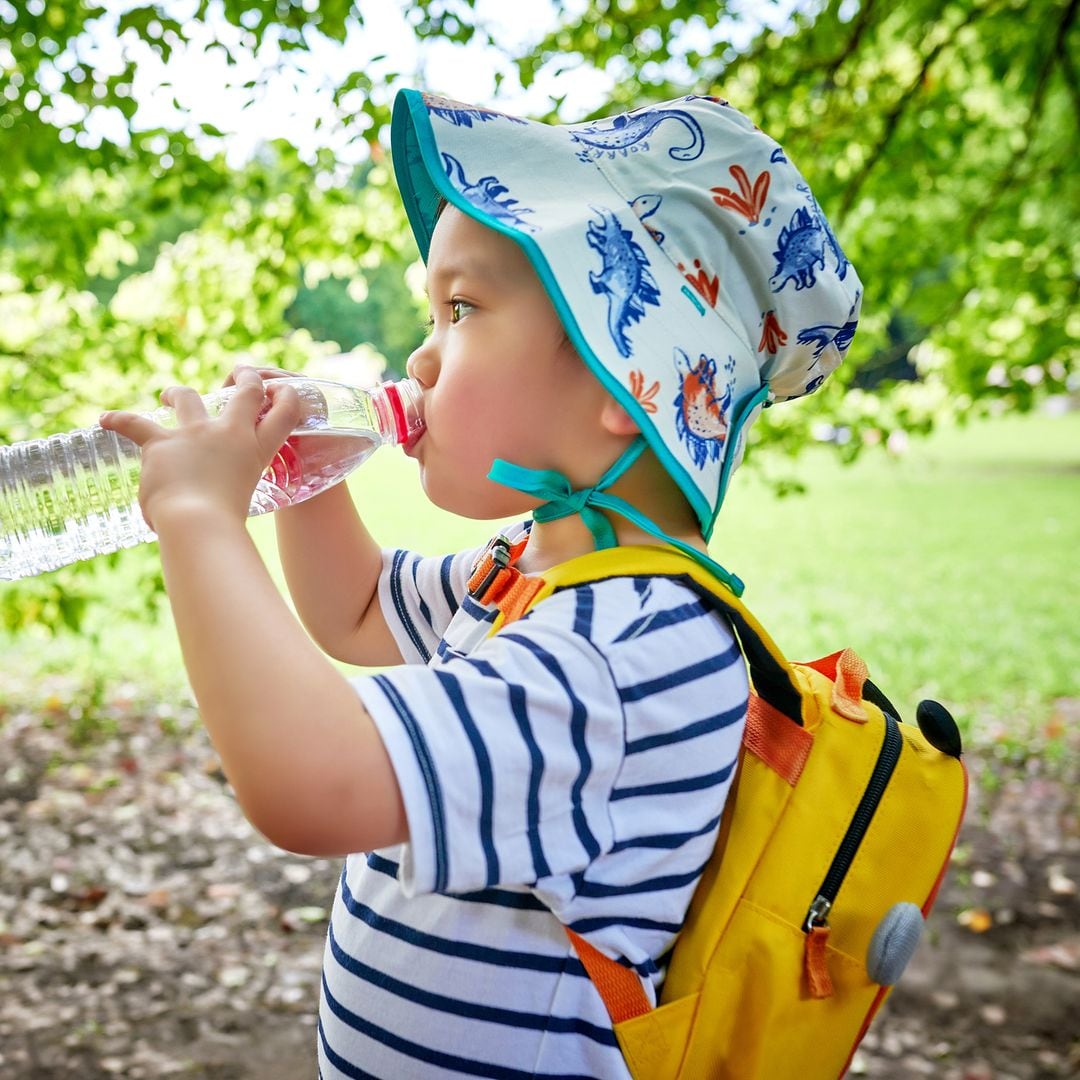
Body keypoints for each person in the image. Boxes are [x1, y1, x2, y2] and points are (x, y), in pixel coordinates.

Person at [101, 89, 861, 1078]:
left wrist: (201, 522)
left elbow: (314, 785)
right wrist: (299, 479)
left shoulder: (624, 650)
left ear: (625, 381)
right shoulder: (533, 576)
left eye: (460, 309)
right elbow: (360, 607)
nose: (419, 353)